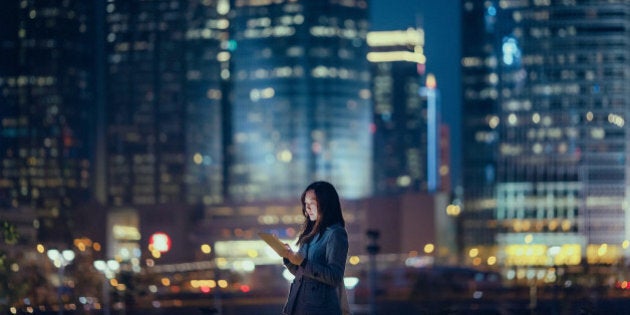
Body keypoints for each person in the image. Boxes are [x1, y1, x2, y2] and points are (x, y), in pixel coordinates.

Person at [281, 181, 350, 315]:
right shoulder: (310, 233)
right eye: (305, 204)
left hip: (320, 309)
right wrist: (288, 258)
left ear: (326, 204)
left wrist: (302, 262)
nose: (307, 209)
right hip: (298, 306)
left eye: (311, 203)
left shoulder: (335, 233)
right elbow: (303, 273)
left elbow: (335, 277)